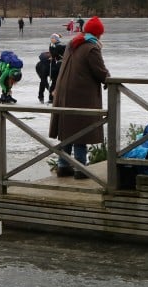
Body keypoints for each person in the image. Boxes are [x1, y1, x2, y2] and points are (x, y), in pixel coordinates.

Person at [49, 16, 109, 179]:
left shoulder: (73, 43)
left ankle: (63, 166)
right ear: (98, 34)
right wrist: (110, 80)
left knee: (67, 130)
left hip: (63, 93)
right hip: (80, 95)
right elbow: (100, 72)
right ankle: (81, 168)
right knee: (81, 130)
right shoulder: (91, 47)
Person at [46, 33, 65, 104]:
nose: (51, 40)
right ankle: (52, 97)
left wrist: (51, 47)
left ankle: (53, 97)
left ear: (56, 39)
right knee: (55, 80)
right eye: (51, 38)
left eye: (52, 38)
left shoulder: (58, 46)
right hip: (58, 63)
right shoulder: (56, 45)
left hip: (60, 64)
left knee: (55, 80)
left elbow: (54, 54)